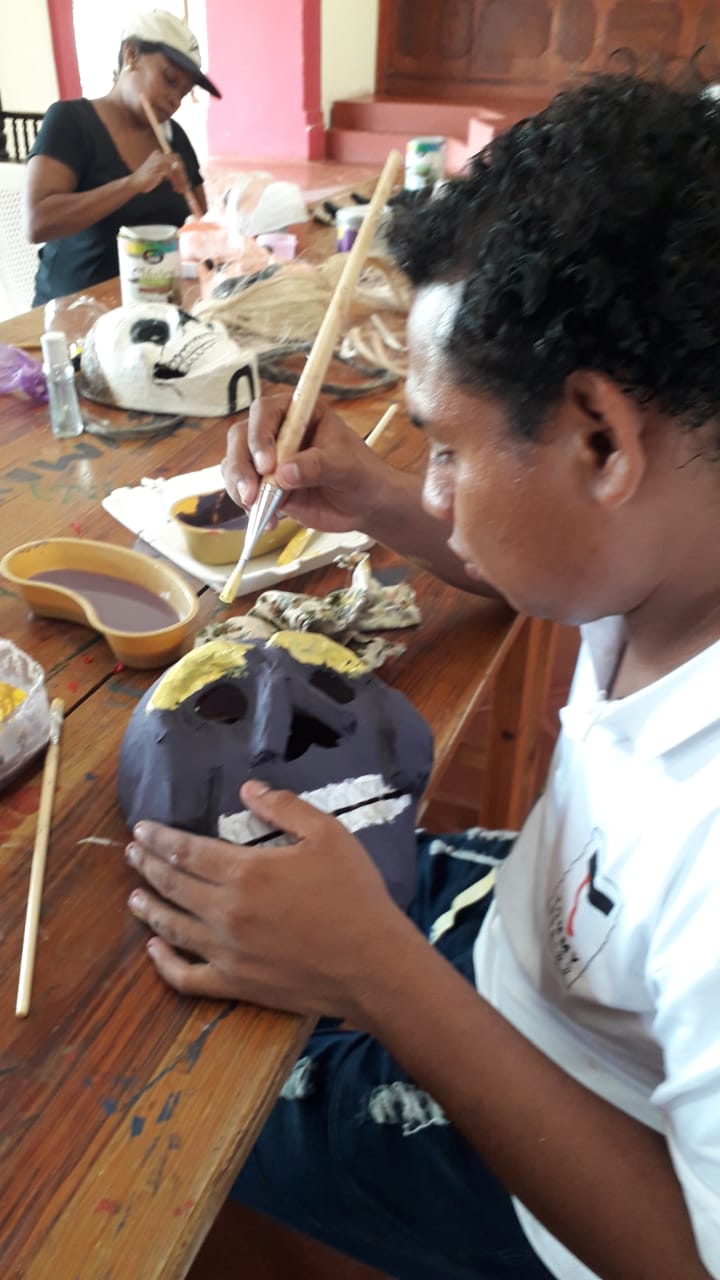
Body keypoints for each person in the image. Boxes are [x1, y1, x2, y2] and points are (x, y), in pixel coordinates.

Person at [123, 72, 720, 1280]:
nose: (435, 487)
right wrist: (381, 497)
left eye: (444, 447)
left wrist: (382, 978)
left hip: (577, 1156)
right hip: (542, 944)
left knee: (155, 1093)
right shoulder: (668, 556)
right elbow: (540, 556)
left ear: (601, 438)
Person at [25, 8, 220, 306]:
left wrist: (204, 225)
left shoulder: (174, 137)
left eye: (184, 92)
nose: (174, 100)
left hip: (154, 305)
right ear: (131, 55)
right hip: (76, 311)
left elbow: (198, 222)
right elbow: (38, 222)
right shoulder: (71, 121)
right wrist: (133, 183)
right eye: (169, 80)